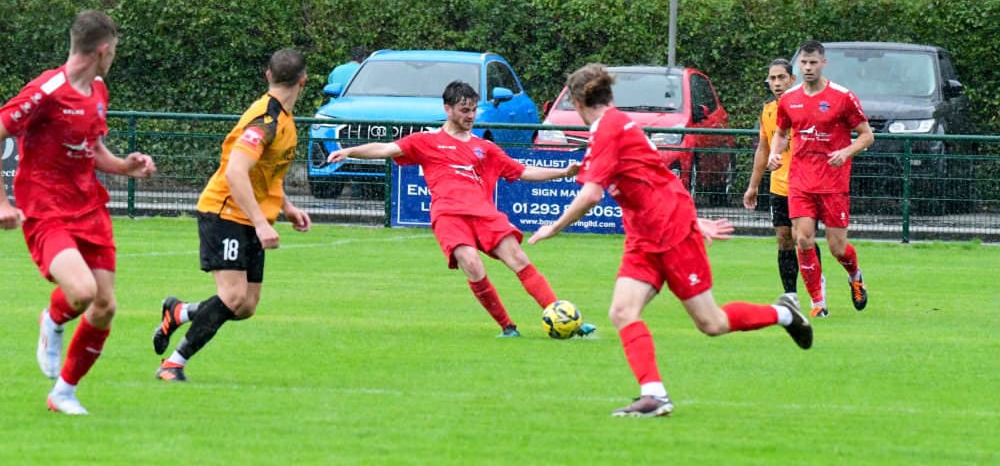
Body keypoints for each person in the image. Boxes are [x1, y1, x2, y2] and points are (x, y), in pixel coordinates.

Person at [529, 64, 812, 418]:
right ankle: (654, 395)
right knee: (622, 311)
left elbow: (591, 194)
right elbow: (659, 177)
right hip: (645, 236)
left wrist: (554, 227)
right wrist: (693, 218)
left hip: (671, 233)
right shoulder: (618, 126)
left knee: (712, 323)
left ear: (576, 102)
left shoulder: (609, 130)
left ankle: (784, 313)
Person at [326, 80, 595, 338]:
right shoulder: (425, 141)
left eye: (473, 110)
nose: (471, 116)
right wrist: (350, 151)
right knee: (472, 264)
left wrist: (563, 172)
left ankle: (565, 318)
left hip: (484, 214)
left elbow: (524, 171)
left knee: (518, 258)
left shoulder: (485, 148)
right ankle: (507, 326)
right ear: (448, 109)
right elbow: (386, 148)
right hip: (448, 215)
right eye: (464, 110)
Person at [0, 10, 157, 415]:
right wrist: (2, 202)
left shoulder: (98, 90)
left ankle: (64, 393)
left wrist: (125, 166)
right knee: (83, 293)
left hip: (89, 207)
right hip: (45, 207)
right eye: (114, 50)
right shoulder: (46, 90)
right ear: (103, 49)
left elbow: (93, 148)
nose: (114, 57)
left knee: (105, 307)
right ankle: (53, 320)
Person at [152, 49, 312, 381]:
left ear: (268, 75)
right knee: (233, 297)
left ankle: (179, 312)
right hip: (225, 212)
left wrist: (286, 206)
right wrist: (260, 223)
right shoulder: (265, 120)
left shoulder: (283, 118)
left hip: (249, 216)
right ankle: (173, 365)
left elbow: (264, 173)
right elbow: (236, 171)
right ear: (304, 81)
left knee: (246, 305)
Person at [768, 40, 874, 317]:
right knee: (803, 240)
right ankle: (818, 303)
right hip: (800, 181)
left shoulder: (842, 97)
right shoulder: (789, 99)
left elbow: (866, 135)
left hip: (833, 182)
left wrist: (846, 152)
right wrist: (775, 154)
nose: (808, 67)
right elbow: (781, 133)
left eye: (813, 62)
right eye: (803, 62)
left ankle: (855, 275)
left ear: (823, 63)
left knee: (837, 248)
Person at [743, 59, 825, 313]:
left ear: (792, 79)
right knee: (783, 238)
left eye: (781, 78)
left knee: (803, 239)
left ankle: (817, 292)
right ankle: (791, 295)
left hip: (805, 186)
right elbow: (763, 148)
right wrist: (753, 186)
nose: (776, 83)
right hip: (779, 187)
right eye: (772, 78)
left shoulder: (807, 107)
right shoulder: (768, 111)